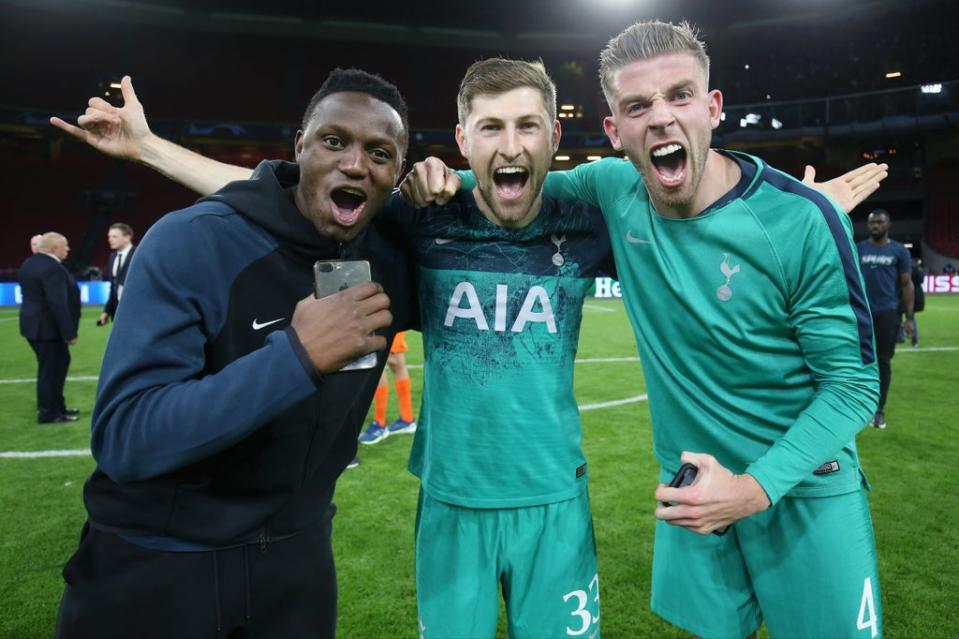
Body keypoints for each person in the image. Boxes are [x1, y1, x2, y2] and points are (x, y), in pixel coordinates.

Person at [56, 56, 885, 638]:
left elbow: (688, 211)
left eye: (529, 125)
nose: (511, 143)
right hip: (449, 498)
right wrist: (152, 150)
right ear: (461, 137)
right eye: (491, 126)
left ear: (555, 140)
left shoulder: (585, 216)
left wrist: (783, 209)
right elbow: (286, 196)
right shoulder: (423, 218)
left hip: (554, 500)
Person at [408, 21, 885, 639]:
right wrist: (433, 179)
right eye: (638, 105)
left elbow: (852, 387)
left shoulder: (800, 220)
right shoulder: (611, 191)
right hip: (691, 490)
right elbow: (513, 184)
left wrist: (752, 489)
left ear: (713, 108)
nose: (660, 118)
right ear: (614, 131)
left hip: (802, 488)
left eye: (680, 95)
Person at [51, 68, 415, 639]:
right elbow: (126, 437)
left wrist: (454, 185)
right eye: (334, 141)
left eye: (380, 152)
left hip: (298, 571)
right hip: (158, 567)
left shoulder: (391, 261)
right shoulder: (192, 241)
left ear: (397, 175)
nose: (354, 163)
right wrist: (293, 356)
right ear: (300, 146)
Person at [858, 209, 914, 429]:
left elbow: (906, 283)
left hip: (887, 312)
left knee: (882, 362)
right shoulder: (859, 248)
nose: (875, 225)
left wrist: (909, 318)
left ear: (888, 224)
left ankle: (878, 411)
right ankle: (856, 408)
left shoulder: (899, 251)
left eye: (879, 222)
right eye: (872, 222)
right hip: (860, 313)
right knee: (855, 361)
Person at [18, 232, 81, 424]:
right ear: (54, 248)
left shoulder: (29, 263)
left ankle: (56, 408)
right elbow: (57, 303)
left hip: (33, 326)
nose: (68, 249)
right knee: (51, 370)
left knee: (53, 367)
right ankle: (49, 413)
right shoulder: (52, 268)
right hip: (48, 329)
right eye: (65, 245)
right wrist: (69, 333)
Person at [357, 331, 417, 444]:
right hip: (391, 318)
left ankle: (380, 424)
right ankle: (407, 418)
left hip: (388, 319)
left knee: (379, 360)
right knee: (396, 360)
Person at [96, 222, 136, 327]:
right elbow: (113, 287)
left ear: (127, 237)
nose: (110, 239)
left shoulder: (138, 255)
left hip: (135, 313)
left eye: (114, 236)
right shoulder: (112, 257)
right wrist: (106, 311)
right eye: (109, 236)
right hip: (117, 315)